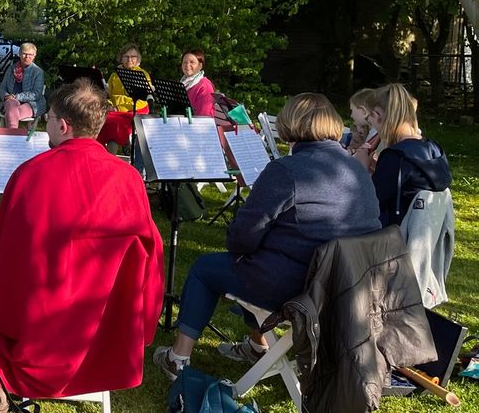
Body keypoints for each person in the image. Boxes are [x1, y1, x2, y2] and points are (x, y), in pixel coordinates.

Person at [153, 93, 382, 379]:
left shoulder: (285, 170)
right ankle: (257, 344)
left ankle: (178, 357)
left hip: (301, 287)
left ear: (289, 126)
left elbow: (240, 239)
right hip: (349, 287)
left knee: (206, 269)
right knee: (263, 261)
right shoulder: (357, 168)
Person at [0, 80, 164, 397]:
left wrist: (3, 320)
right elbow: (150, 259)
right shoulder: (129, 178)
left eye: (48, 119)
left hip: (42, 333)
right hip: (108, 335)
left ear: (63, 125)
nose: (45, 124)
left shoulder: (30, 174)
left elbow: (8, 261)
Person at [368, 83, 451, 227]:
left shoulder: (396, 157)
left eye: (372, 123)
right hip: (425, 234)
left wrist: (361, 170)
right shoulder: (435, 149)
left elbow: (370, 203)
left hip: (392, 238)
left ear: (377, 115)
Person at [98, 43, 151, 152]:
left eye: (133, 57)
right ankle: (99, 154)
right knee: (97, 119)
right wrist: (109, 104)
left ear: (138, 59)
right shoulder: (114, 75)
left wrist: (119, 105)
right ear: (121, 58)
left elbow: (142, 100)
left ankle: (111, 157)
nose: (129, 59)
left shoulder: (142, 74)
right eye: (126, 56)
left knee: (113, 124)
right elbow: (109, 95)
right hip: (115, 110)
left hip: (136, 109)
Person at [0, 42, 45, 129]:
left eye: (30, 54)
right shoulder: (11, 69)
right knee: (11, 105)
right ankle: (14, 136)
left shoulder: (37, 72)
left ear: (34, 56)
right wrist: (6, 96)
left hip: (32, 104)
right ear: (19, 54)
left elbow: (36, 94)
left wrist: (16, 97)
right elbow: (2, 87)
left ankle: (11, 136)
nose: (27, 57)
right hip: (11, 102)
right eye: (24, 54)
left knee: (12, 113)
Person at [343, 88, 379, 172]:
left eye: (352, 110)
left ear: (363, 111)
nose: (351, 115)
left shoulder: (375, 134)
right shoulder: (372, 132)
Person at [180, 49, 215, 118]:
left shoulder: (204, 86)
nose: (187, 65)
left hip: (199, 126)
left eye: (192, 62)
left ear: (200, 66)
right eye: (185, 62)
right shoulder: (182, 84)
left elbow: (203, 116)